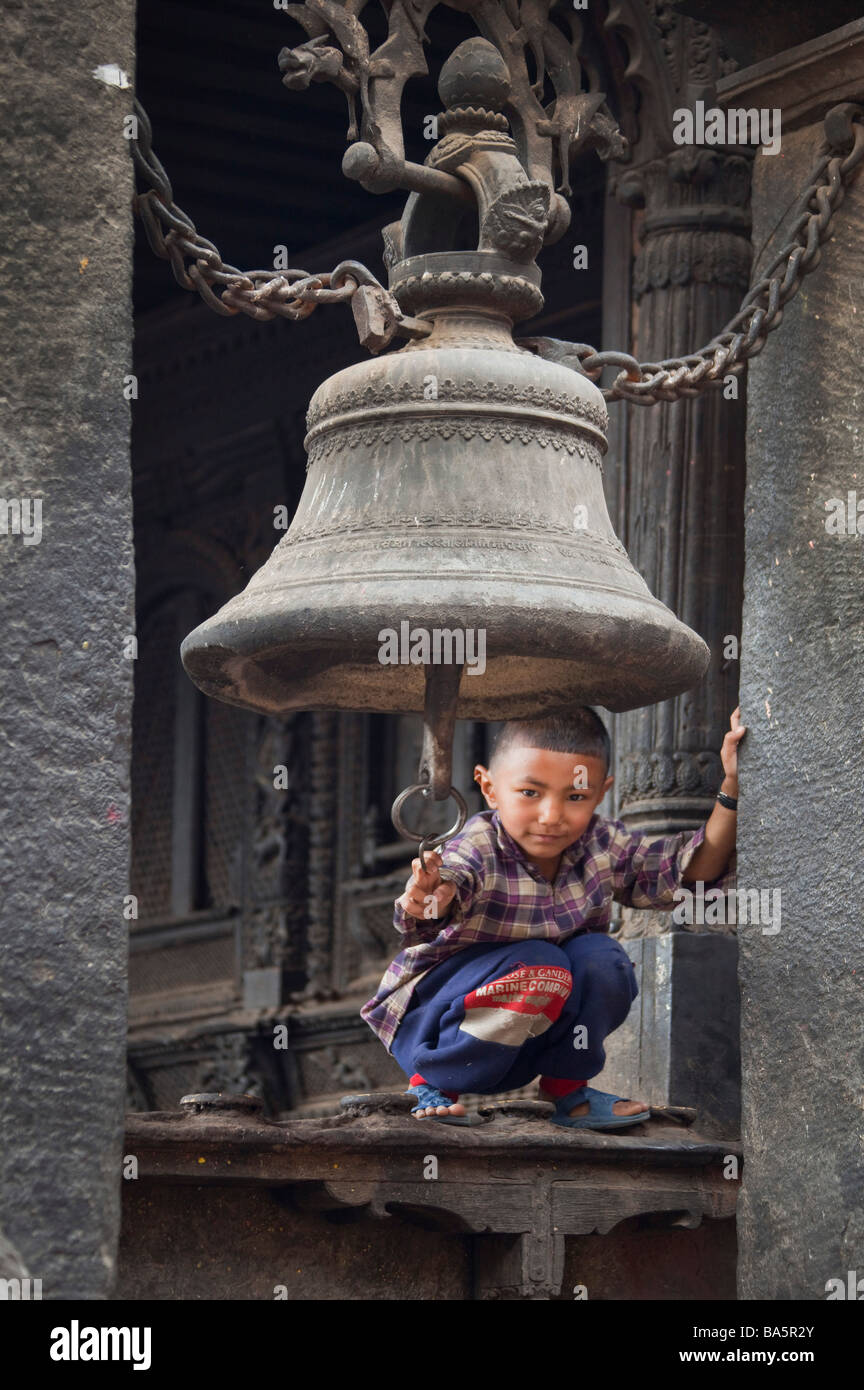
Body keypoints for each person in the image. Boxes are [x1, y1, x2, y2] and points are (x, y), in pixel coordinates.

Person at [361, 706, 745, 1129]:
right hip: (432, 1026)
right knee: (545, 962)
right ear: (488, 788)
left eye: (576, 796)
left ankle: (566, 1091)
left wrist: (731, 786)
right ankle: (430, 1083)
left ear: (602, 793)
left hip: (523, 1038)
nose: (551, 816)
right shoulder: (479, 845)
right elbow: (450, 885)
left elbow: (690, 869)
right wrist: (429, 897)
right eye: (530, 793)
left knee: (603, 959)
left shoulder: (601, 845)